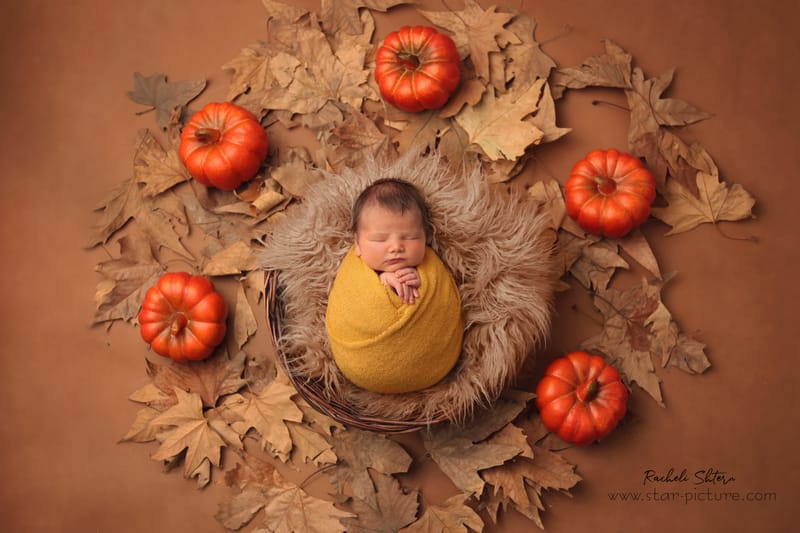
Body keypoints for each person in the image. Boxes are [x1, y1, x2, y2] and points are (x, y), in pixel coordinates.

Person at [351, 178, 433, 305]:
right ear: (357, 244)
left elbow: (442, 286)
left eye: (409, 237)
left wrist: (425, 281)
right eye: (380, 239)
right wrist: (381, 280)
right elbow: (351, 292)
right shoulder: (353, 270)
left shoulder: (431, 263)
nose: (395, 247)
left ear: (426, 237)